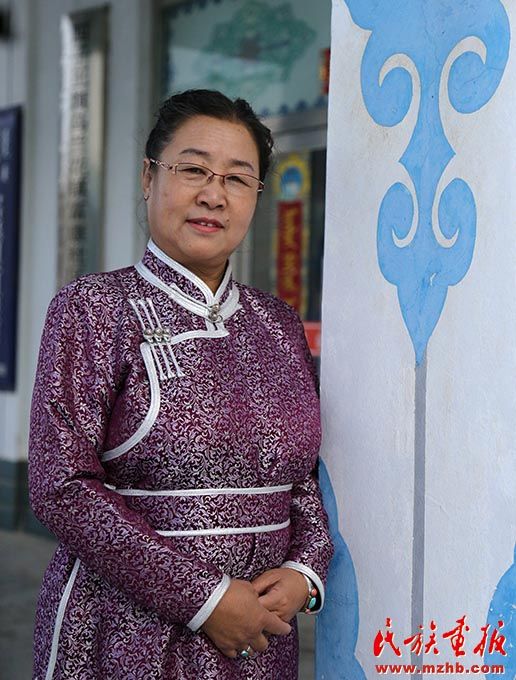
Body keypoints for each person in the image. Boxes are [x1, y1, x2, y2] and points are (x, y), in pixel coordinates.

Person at [29, 89, 334, 680]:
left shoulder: (277, 323)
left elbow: (302, 478)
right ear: (149, 178)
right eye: (193, 169)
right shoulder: (93, 309)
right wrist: (206, 598)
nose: (213, 195)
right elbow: (60, 487)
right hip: (124, 635)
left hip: (260, 640)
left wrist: (305, 573)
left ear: (256, 197)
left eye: (237, 179)